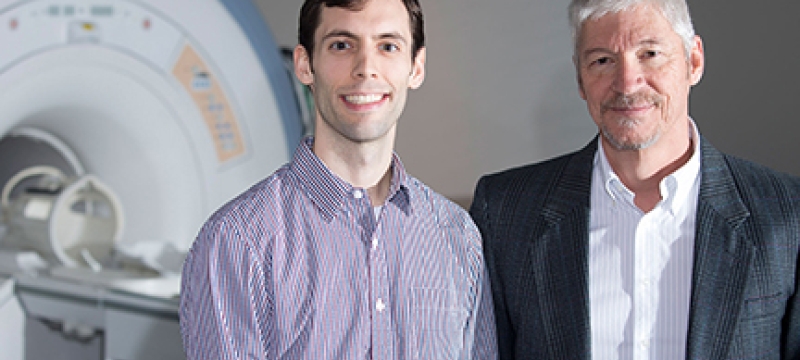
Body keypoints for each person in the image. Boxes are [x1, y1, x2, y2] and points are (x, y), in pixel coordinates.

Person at [470, 0, 800, 359]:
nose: (627, 83)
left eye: (650, 53)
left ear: (694, 61)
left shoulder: (786, 216)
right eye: (603, 61)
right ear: (580, 78)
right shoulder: (506, 214)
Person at [179, 0, 497, 358]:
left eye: (388, 46)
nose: (366, 69)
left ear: (416, 67)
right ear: (305, 64)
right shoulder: (237, 242)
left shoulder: (457, 238)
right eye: (342, 45)